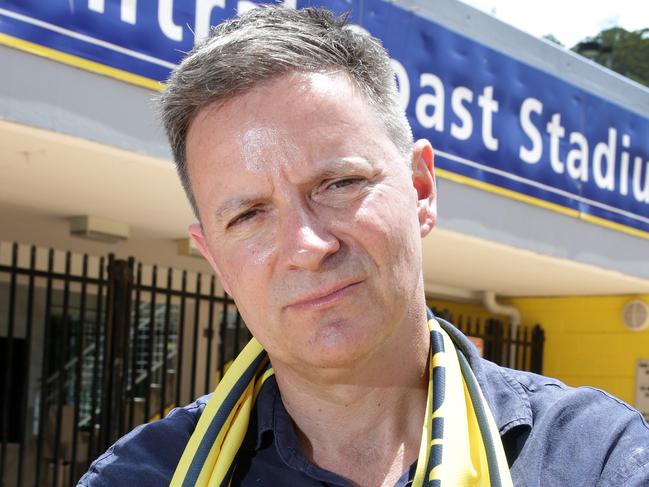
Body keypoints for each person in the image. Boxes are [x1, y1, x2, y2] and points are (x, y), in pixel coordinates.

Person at [80, 6, 649, 487]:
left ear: (421, 190)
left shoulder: (594, 456)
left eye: (339, 184)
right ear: (215, 261)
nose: (306, 245)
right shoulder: (138, 474)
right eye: (250, 214)